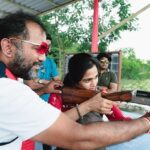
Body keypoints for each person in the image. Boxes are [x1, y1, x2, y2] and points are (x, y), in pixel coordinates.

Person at [1, 11, 150, 150]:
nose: (43, 58)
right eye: (39, 48)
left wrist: (140, 120)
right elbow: (78, 137)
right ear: (8, 47)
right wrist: (145, 123)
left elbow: (120, 119)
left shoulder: (11, 83)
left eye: (96, 77)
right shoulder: (7, 90)